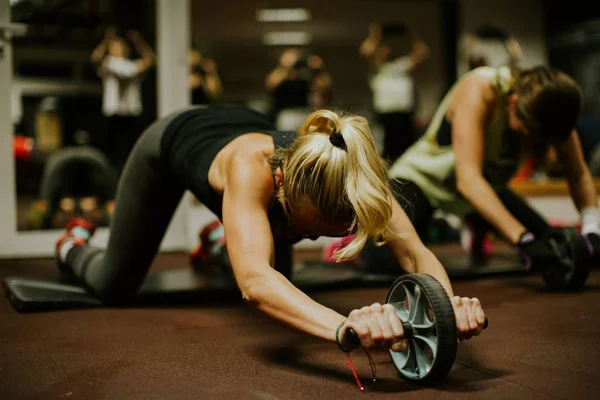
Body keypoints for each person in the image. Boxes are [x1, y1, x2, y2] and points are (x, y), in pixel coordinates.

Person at [54, 105, 486, 360]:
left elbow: (414, 252)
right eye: (309, 231)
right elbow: (256, 284)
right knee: (115, 285)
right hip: (169, 144)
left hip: (251, 154)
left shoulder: (353, 176)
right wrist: (346, 329)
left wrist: (446, 309)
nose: (317, 240)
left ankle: (223, 238)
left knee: (287, 279)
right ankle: (73, 244)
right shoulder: (252, 171)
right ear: (284, 190)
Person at [363, 65, 600, 271]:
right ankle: (358, 242)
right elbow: (468, 181)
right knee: (386, 259)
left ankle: (474, 223)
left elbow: (578, 173)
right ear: (514, 102)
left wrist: (592, 228)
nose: (534, 141)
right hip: (425, 180)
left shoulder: (555, 109)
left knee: (553, 247)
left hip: (484, 189)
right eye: (529, 131)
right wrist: (523, 240)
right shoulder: (481, 88)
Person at [359, 22, 429, 163]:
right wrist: (375, 36)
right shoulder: (376, 70)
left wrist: (411, 35)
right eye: (381, 51)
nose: (385, 52)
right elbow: (365, 52)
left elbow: (422, 53)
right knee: (387, 153)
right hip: (385, 116)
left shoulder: (402, 66)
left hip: (405, 114)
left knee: (407, 152)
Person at [90, 26, 155, 175]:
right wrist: (106, 41)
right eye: (115, 46)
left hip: (131, 114)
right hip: (113, 113)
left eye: (120, 46)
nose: (118, 49)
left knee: (131, 152)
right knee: (111, 154)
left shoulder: (131, 65)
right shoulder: (108, 63)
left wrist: (139, 42)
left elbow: (150, 60)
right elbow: (95, 58)